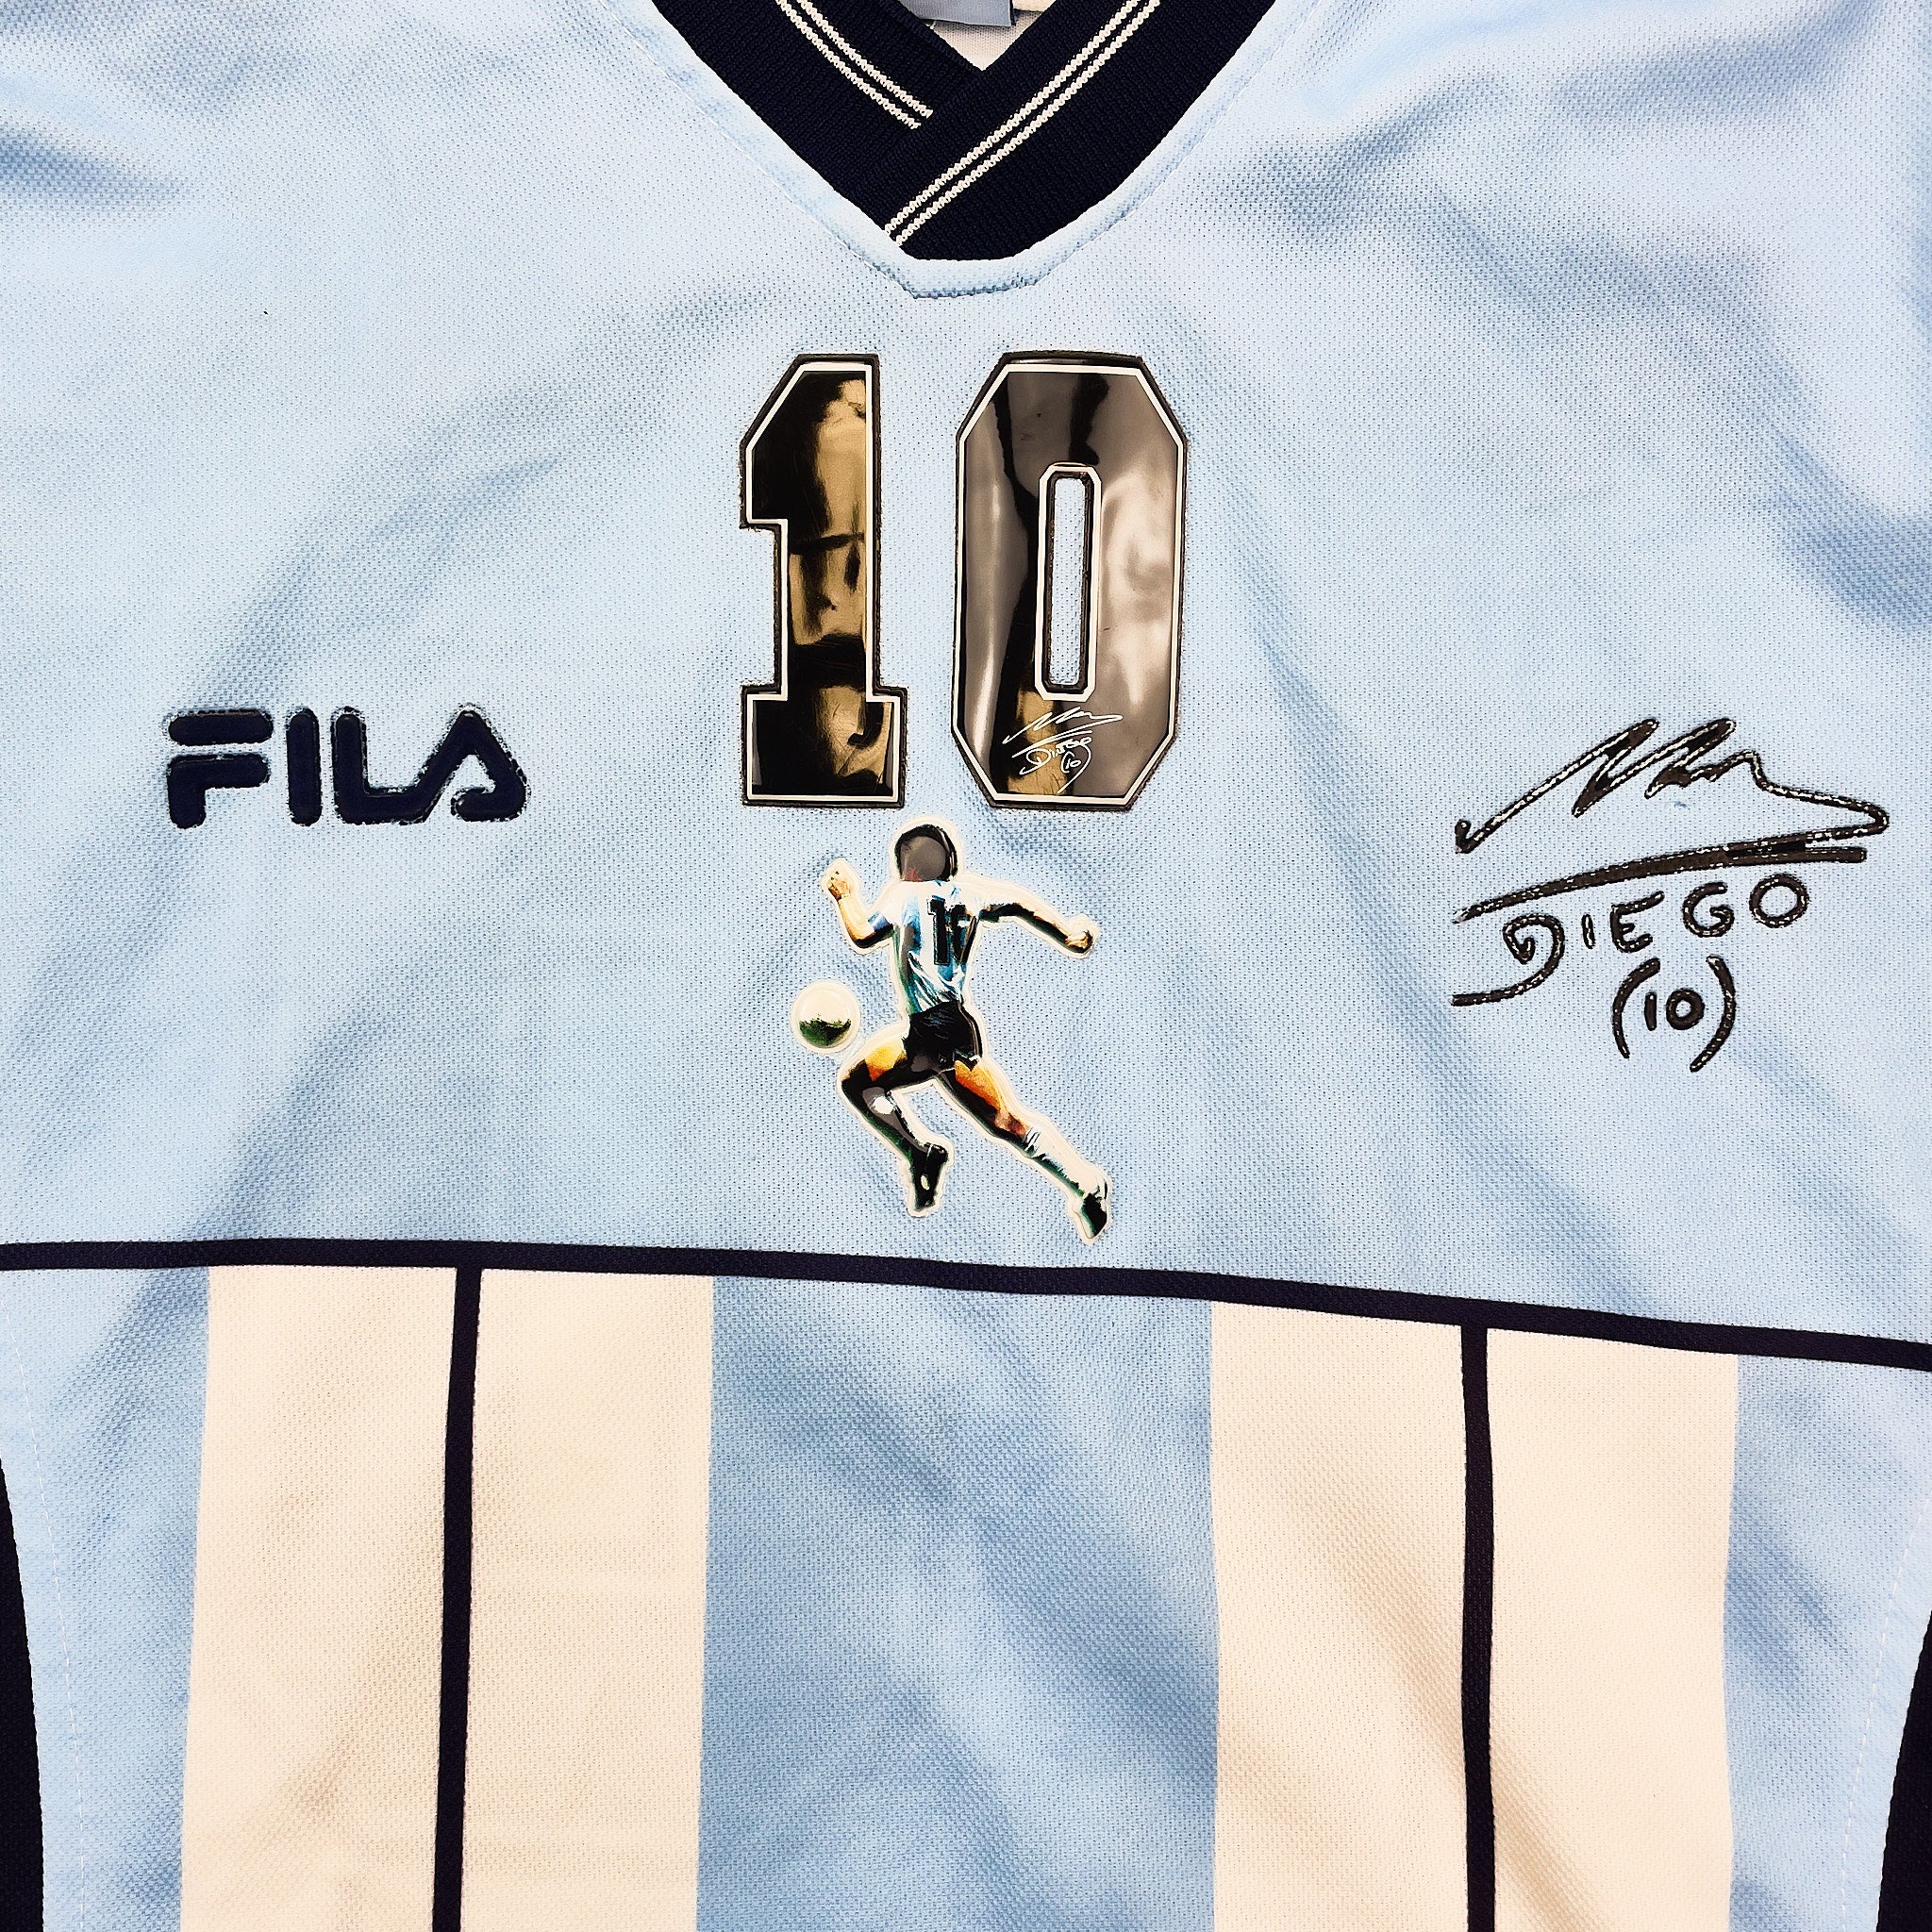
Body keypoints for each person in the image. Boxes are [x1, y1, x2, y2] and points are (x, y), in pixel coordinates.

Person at [823, 821, 1111, 1240]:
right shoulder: (967, 894)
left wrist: (845, 896)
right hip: (929, 1031)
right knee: (858, 1081)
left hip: (940, 1032)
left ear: (909, 867)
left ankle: (1084, 1182)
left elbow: (864, 934)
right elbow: (1017, 903)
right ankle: (920, 1153)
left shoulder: (906, 894)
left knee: (1006, 1122)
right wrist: (1065, 931)